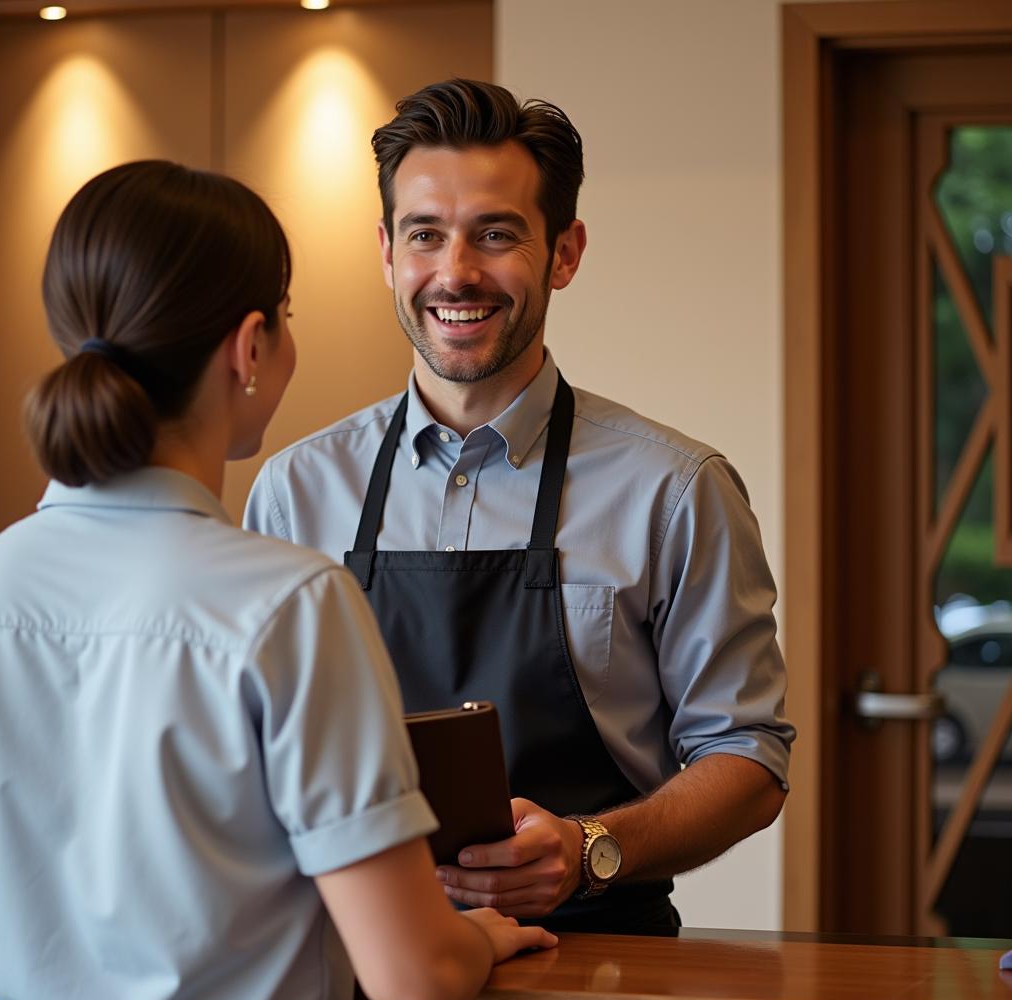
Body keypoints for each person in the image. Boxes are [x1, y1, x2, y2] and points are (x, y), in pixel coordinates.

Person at [0, 160, 555, 1000]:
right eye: (287, 317)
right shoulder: (288, 603)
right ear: (250, 347)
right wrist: (477, 936)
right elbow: (413, 978)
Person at [245, 79, 795, 936]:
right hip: (352, 964)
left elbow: (749, 758)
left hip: (598, 966)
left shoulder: (676, 488)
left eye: (496, 234)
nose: (455, 272)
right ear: (388, 252)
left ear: (566, 253)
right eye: (425, 235)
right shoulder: (293, 490)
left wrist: (588, 847)